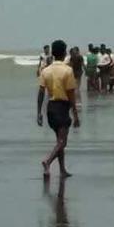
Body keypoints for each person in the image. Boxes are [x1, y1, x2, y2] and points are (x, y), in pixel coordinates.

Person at [36, 39, 80, 179]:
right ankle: (48, 161)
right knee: (63, 142)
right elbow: (71, 94)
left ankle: (62, 170)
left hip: (50, 107)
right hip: (62, 107)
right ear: (64, 53)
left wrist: (39, 113)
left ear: (53, 53)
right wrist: (75, 114)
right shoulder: (67, 70)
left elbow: (41, 93)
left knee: (59, 141)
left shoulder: (46, 70)